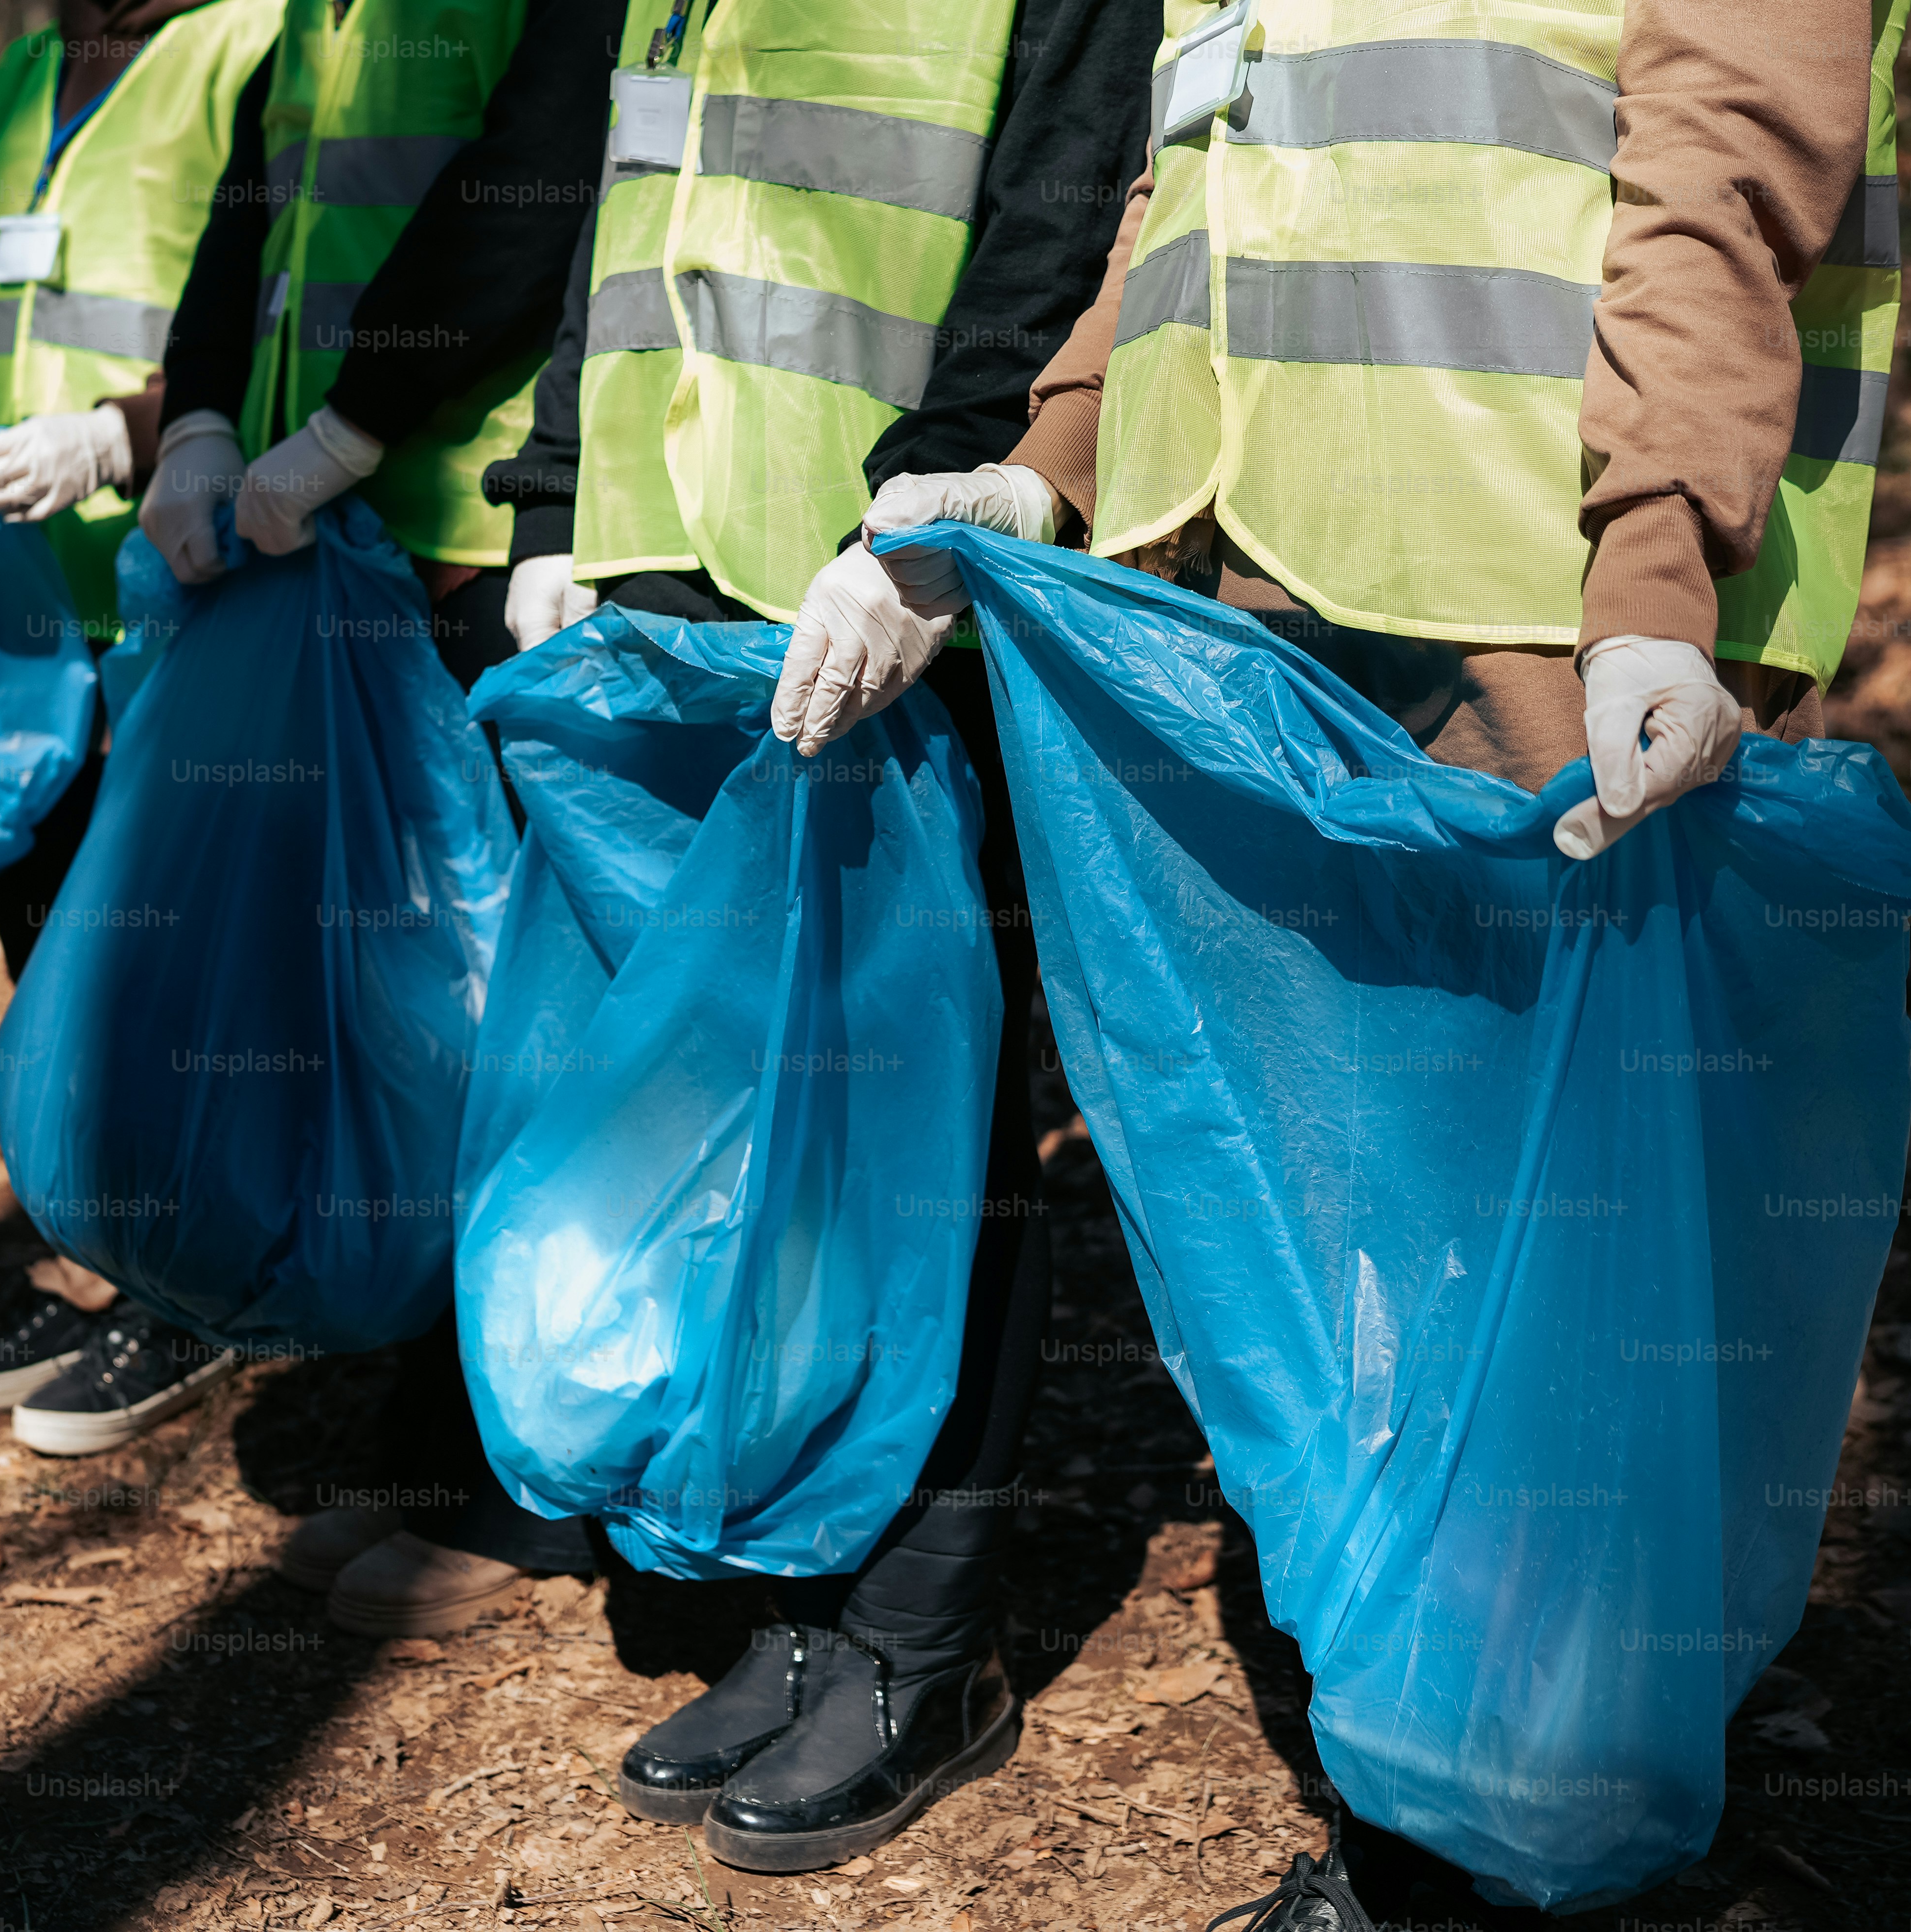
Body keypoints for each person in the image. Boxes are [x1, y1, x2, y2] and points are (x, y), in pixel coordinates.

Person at [791, 0, 1905, 1919]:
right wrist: (1044, 460)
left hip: (1524, 598)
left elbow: (1722, 152)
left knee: (1540, 1251)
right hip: (1256, 595)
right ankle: (1452, 1802)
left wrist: (1652, 573)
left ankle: (1520, 1848)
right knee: (1379, 1231)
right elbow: (1194, 169)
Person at [478, 0, 1162, 1874]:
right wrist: (553, 491)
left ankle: (925, 1643)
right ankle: (794, 1590)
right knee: (742, 1118)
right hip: (668, 587)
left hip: (877, 584)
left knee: (925, 1115)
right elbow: (626, 213)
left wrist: (943, 507)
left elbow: (1066, 204)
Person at [137, 0, 633, 1632]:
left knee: (500, 1021)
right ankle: (433, 1442)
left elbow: (542, 174)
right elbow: (250, 206)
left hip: (458, 526)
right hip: (327, 537)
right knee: (404, 1021)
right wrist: (202, 407)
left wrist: (353, 424)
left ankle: (516, 1493)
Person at [0, 0, 280, 1455]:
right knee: (43, 947)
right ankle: (102, 1261)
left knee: (157, 962)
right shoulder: (15, 87)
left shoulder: (243, 46)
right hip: (11, 616)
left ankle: (190, 1292)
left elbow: (267, 315)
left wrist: (118, 436)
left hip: (175, 582)